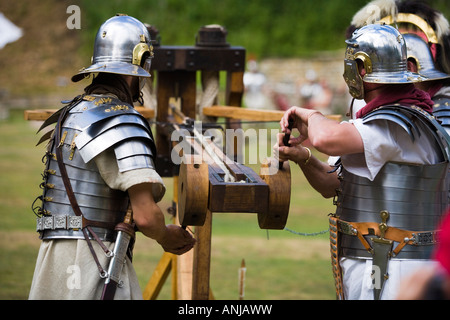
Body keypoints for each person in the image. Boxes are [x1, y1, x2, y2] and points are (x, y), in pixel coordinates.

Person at [276, 24, 450, 300]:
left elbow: (325, 139)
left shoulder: (398, 124)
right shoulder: (378, 122)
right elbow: (333, 184)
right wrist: (303, 158)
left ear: (361, 68)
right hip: (373, 261)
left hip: (399, 265)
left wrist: (310, 114)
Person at [29, 15, 195, 300]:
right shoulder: (123, 121)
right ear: (140, 64)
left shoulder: (71, 114)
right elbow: (144, 215)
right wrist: (166, 236)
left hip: (52, 259)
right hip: (95, 261)